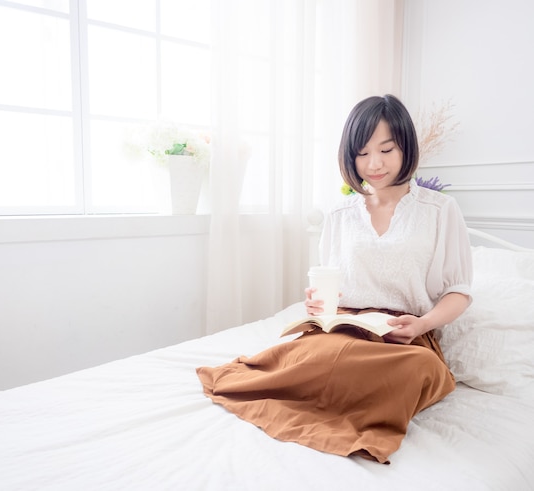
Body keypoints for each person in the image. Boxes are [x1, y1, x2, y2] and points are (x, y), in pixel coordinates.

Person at [196, 94, 472, 464]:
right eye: (362, 153)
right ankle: (320, 388)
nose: (373, 163)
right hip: (345, 327)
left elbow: (458, 290)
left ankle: (341, 396)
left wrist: (422, 322)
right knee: (298, 356)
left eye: (386, 149)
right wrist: (316, 303)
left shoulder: (439, 210)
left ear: (406, 147)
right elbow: (332, 281)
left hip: (403, 338)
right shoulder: (340, 213)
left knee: (420, 370)